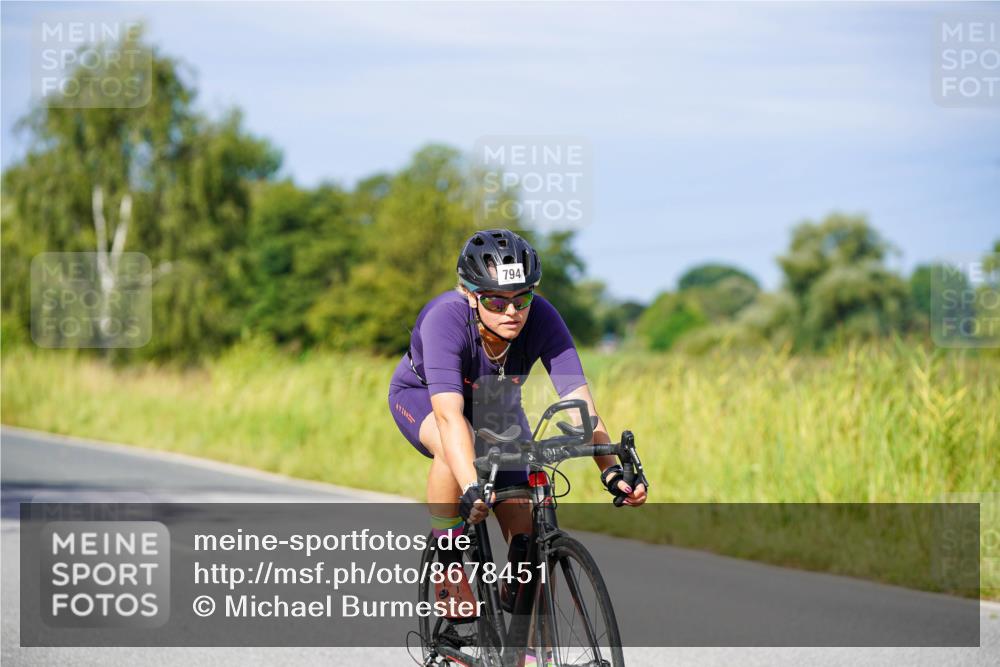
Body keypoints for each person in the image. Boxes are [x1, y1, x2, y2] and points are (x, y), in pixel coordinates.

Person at [388, 228, 647, 620]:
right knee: (454, 444)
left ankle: (523, 643)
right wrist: (472, 487)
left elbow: (579, 402)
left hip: (495, 403)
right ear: (471, 295)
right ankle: (448, 561)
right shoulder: (446, 319)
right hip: (424, 397)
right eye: (496, 300)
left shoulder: (542, 317)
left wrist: (610, 471)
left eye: (522, 298)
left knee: (527, 543)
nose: (512, 312)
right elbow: (449, 416)